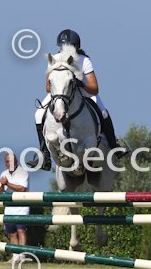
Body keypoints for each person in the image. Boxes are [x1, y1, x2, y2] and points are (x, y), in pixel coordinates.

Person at [27, 29, 128, 171]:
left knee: (103, 112)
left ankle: (114, 146)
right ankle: (44, 155)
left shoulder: (84, 60)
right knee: (38, 114)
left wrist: (80, 83)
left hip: (83, 92)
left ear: (77, 46)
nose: (65, 49)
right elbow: (48, 87)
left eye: (69, 46)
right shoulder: (54, 59)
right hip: (60, 93)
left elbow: (94, 88)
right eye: (62, 46)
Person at [0, 153, 29, 263]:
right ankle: (15, 256)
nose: (10, 163)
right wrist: (2, 185)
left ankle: (22, 256)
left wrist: (7, 183)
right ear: (5, 163)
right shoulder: (3, 174)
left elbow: (22, 189)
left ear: (16, 161)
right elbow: (0, 191)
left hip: (22, 207)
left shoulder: (23, 172)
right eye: (7, 161)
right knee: (12, 233)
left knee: (21, 230)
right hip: (9, 208)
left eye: (11, 161)